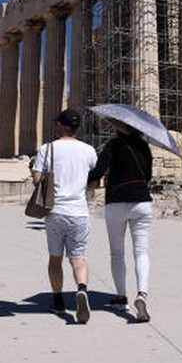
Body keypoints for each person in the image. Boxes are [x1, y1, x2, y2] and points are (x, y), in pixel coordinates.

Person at [31, 109, 97, 323]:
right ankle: (82, 289)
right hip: (79, 212)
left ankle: (58, 299)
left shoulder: (47, 149)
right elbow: (94, 181)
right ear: (77, 128)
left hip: (55, 211)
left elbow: (37, 180)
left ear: (60, 126)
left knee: (55, 258)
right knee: (78, 259)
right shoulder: (89, 151)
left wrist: (33, 169)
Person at [88, 122, 154, 322]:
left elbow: (98, 172)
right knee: (141, 252)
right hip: (142, 201)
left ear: (119, 128)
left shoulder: (113, 145)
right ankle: (142, 294)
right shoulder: (145, 147)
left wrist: (86, 179)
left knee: (117, 252)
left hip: (116, 201)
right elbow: (148, 176)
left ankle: (121, 296)